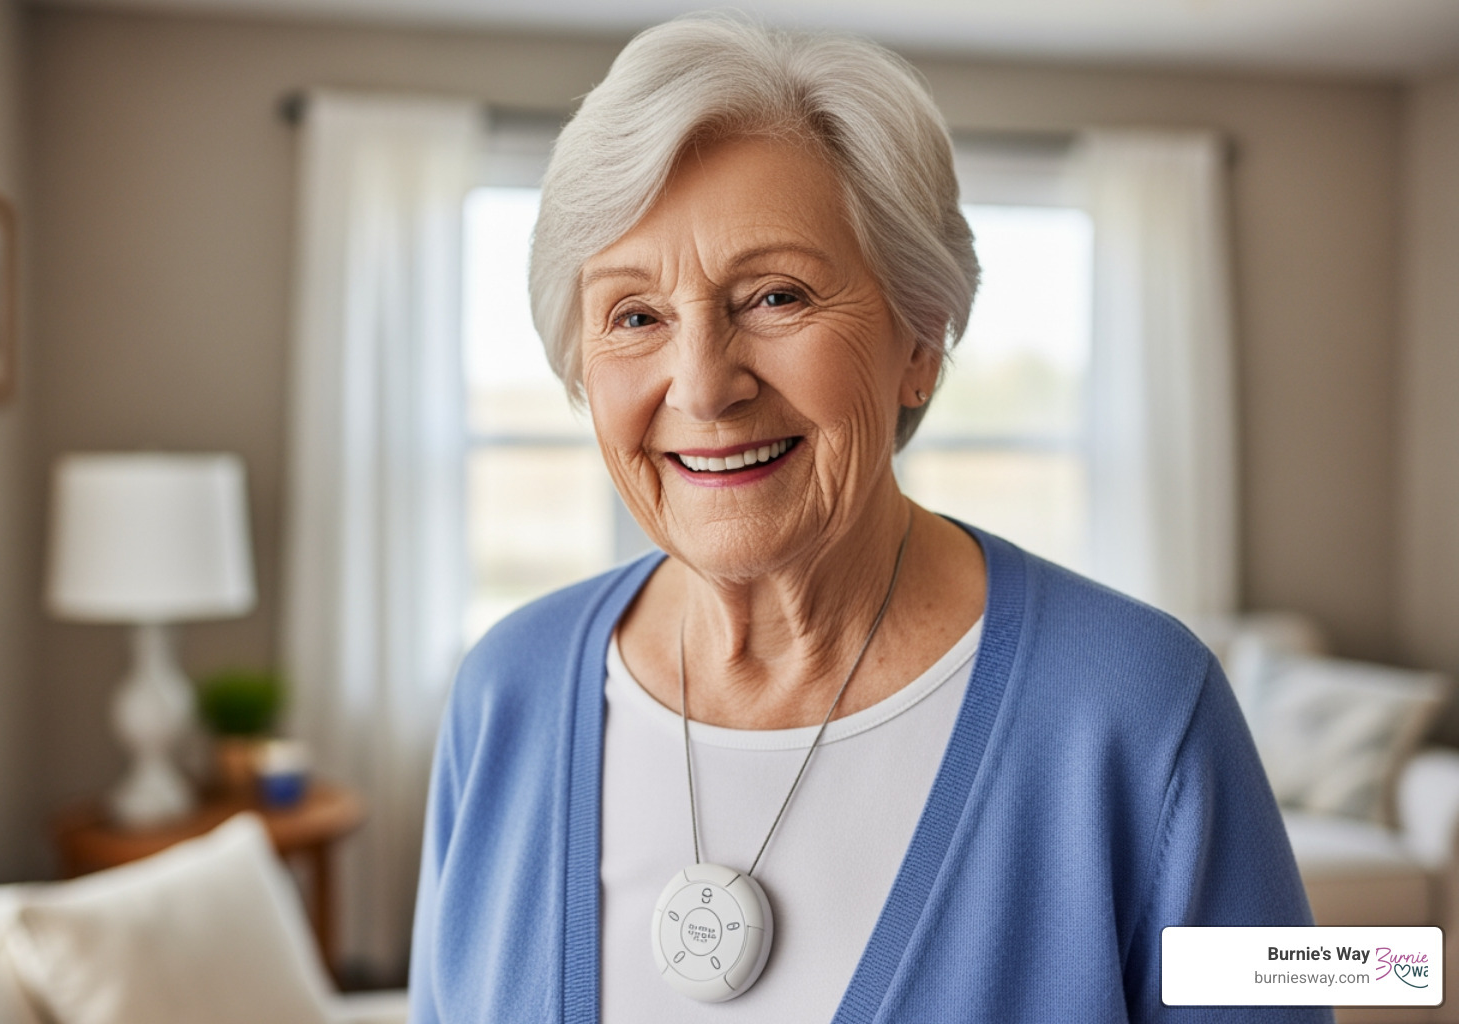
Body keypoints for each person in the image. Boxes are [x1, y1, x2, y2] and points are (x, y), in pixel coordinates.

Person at [410, 14, 1325, 1023]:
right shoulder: (506, 695)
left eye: (777, 296)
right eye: (636, 316)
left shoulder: (1144, 709)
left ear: (922, 338)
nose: (705, 386)